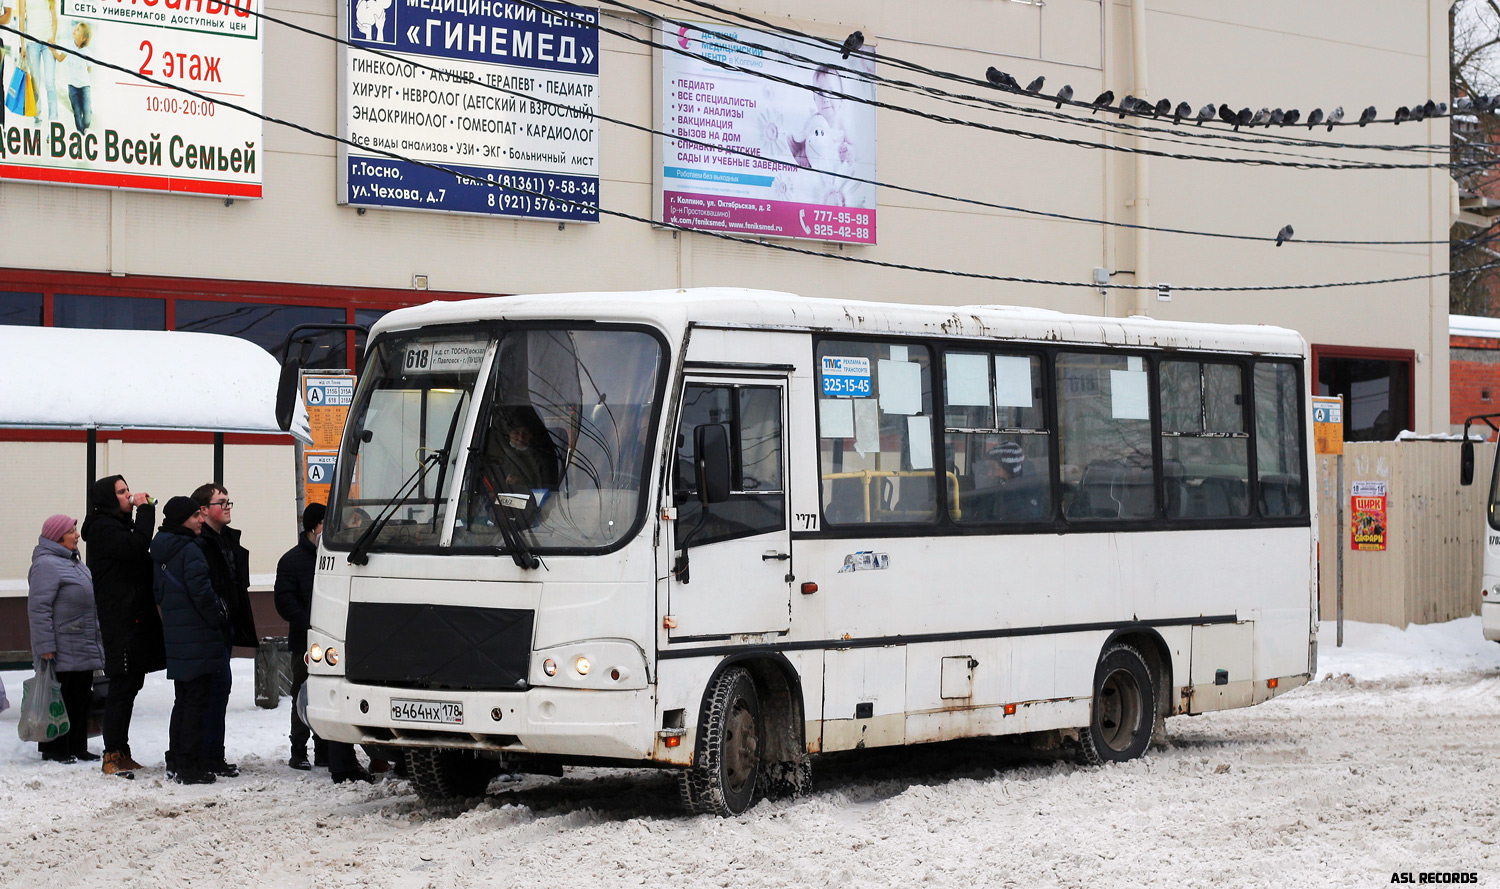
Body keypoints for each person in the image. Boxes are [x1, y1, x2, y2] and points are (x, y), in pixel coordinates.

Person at [274, 503, 376, 783]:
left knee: (329, 693)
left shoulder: (335, 557)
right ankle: (298, 750)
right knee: (302, 693)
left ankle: (325, 749)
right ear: (317, 526)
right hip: (306, 639)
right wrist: (312, 621)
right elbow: (284, 602)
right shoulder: (292, 560)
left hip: (336, 639)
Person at [81, 475, 166, 777]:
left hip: (134, 615)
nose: (128, 495)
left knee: (130, 683)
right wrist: (145, 511)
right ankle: (112, 753)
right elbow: (137, 545)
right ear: (106, 498)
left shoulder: (116, 526)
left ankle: (121, 750)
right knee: (122, 684)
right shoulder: (104, 529)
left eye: (128, 489)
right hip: (121, 619)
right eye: (121, 492)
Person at [151, 496, 226, 785]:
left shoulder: (161, 549)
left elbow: (158, 593)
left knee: (183, 701)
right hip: (198, 635)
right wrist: (218, 617)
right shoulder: (190, 550)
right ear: (183, 519)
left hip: (176, 634)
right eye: (195, 515)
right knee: (196, 703)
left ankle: (176, 760)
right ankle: (190, 767)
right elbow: (202, 593)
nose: (200, 520)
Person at [191, 483, 256, 779]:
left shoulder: (227, 539)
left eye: (229, 501)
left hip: (226, 624)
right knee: (210, 692)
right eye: (221, 502)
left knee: (221, 690)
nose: (227, 507)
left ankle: (214, 754)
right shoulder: (200, 543)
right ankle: (205, 755)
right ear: (203, 511)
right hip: (209, 627)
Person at [28, 514, 103, 764]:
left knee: (80, 697)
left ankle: (77, 745)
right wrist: (45, 646)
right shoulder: (46, 565)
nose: (77, 535)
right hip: (60, 646)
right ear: (58, 536)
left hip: (81, 642)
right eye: (72, 531)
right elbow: (39, 609)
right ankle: (55, 748)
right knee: (59, 698)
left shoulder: (75, 563)